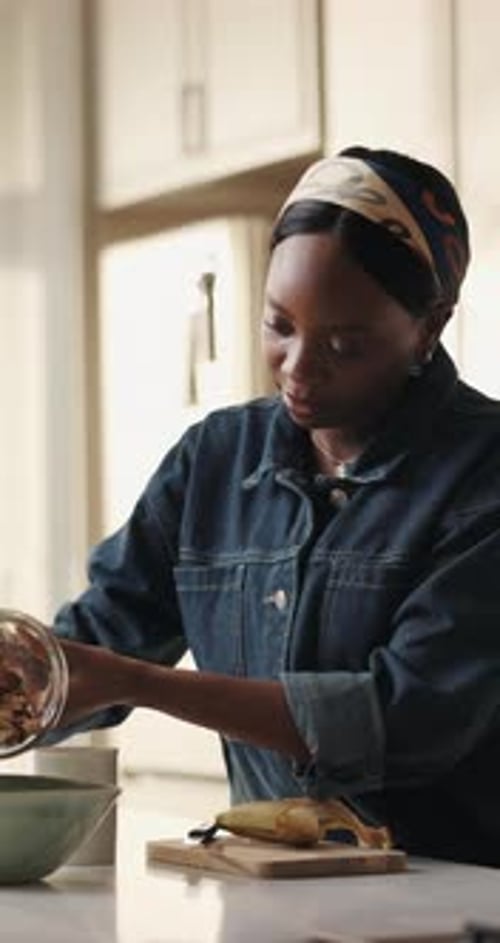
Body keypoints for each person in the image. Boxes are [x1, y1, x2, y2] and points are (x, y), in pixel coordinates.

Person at [49, 146, 500, 867]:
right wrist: (31, 678)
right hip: (274, 904)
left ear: (430, 326)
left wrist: (135, 681)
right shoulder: (214, 461)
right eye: (277, 325)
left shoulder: (482, 475)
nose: (297, 368)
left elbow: (404, 718)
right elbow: (99, 640)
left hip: (461, 906)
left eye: (344, 344)